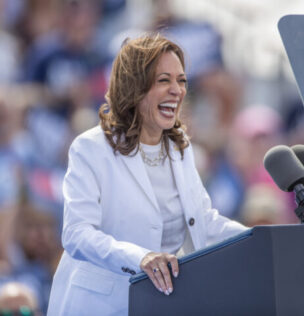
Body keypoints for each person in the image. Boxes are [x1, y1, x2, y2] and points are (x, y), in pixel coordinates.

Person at [46, 34, 247, 315]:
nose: (177, 90)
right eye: (164, 80)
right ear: (134, 87)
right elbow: (77, 234)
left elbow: (204, 222)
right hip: (99, 306)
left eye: (181, 80)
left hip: (159, 305)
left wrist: (258, 239)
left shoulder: (181, 149)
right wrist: (141, 258)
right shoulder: (90, 148)